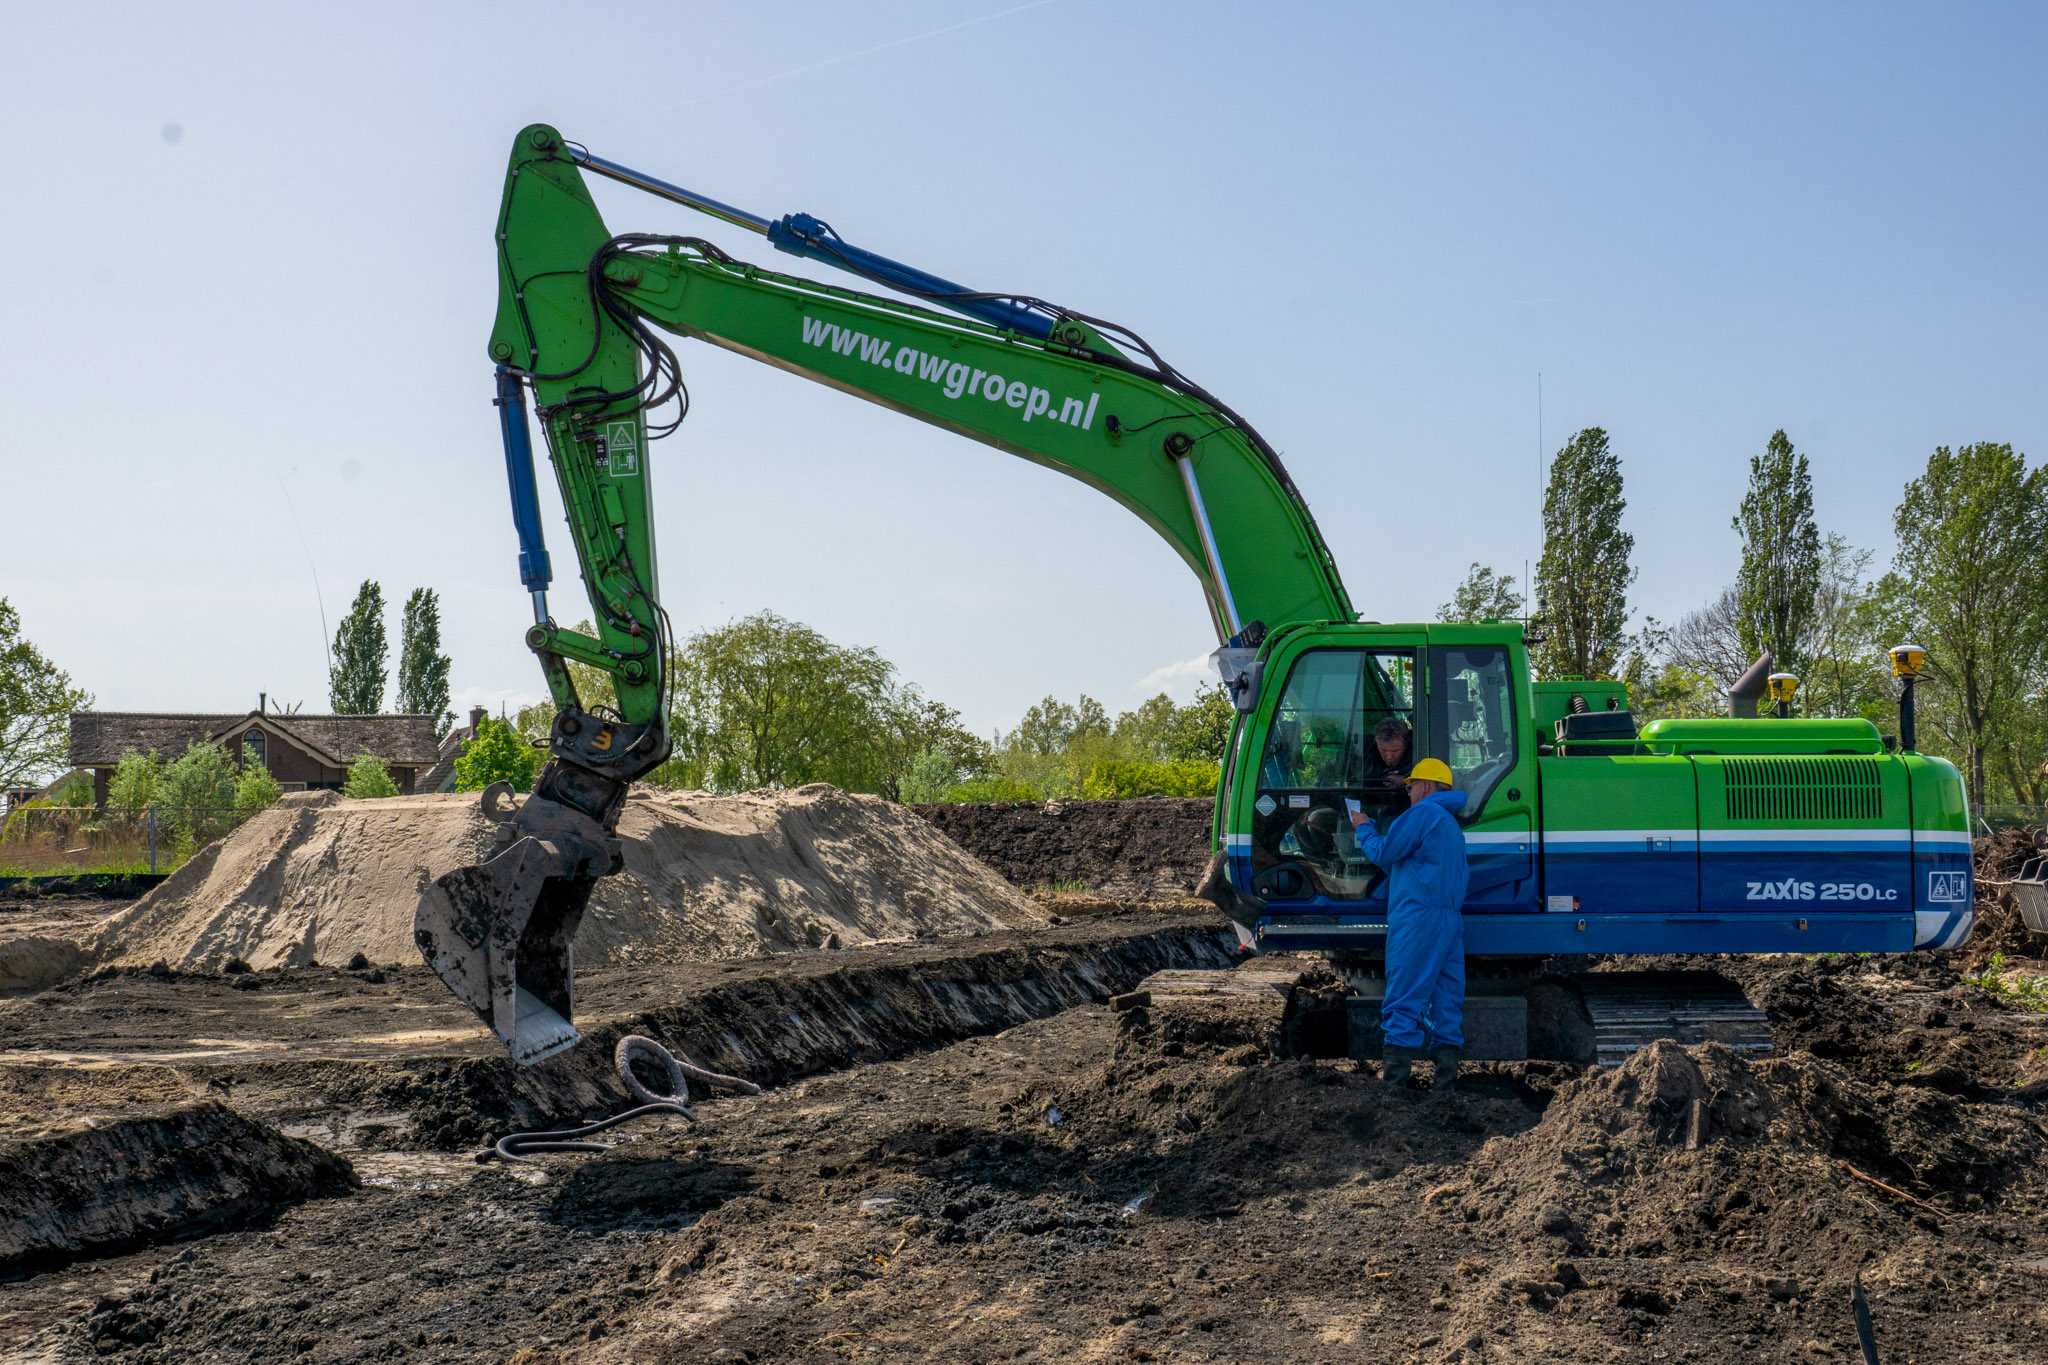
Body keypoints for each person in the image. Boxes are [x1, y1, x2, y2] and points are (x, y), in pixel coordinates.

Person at [1349, 757, 1469, 1091]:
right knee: (1445, 1000)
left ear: (1426, 787)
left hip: (1417, 919)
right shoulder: (1449, 824)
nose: (1408, 792)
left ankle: (1395, 1088)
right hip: (1449, 921)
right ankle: (1445, 1087)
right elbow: (1415, 866)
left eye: (1411, 785)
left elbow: (1385, 853)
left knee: (1403, 997)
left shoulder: (1422, 814)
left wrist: (1362, 825)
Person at [1360, 717, 1414, 788]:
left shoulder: (1418, 755)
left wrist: (1405, 780)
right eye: (1383, 750)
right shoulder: (1365, 754)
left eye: (1395, 751)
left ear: (1405, 745)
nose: (1389, 757)